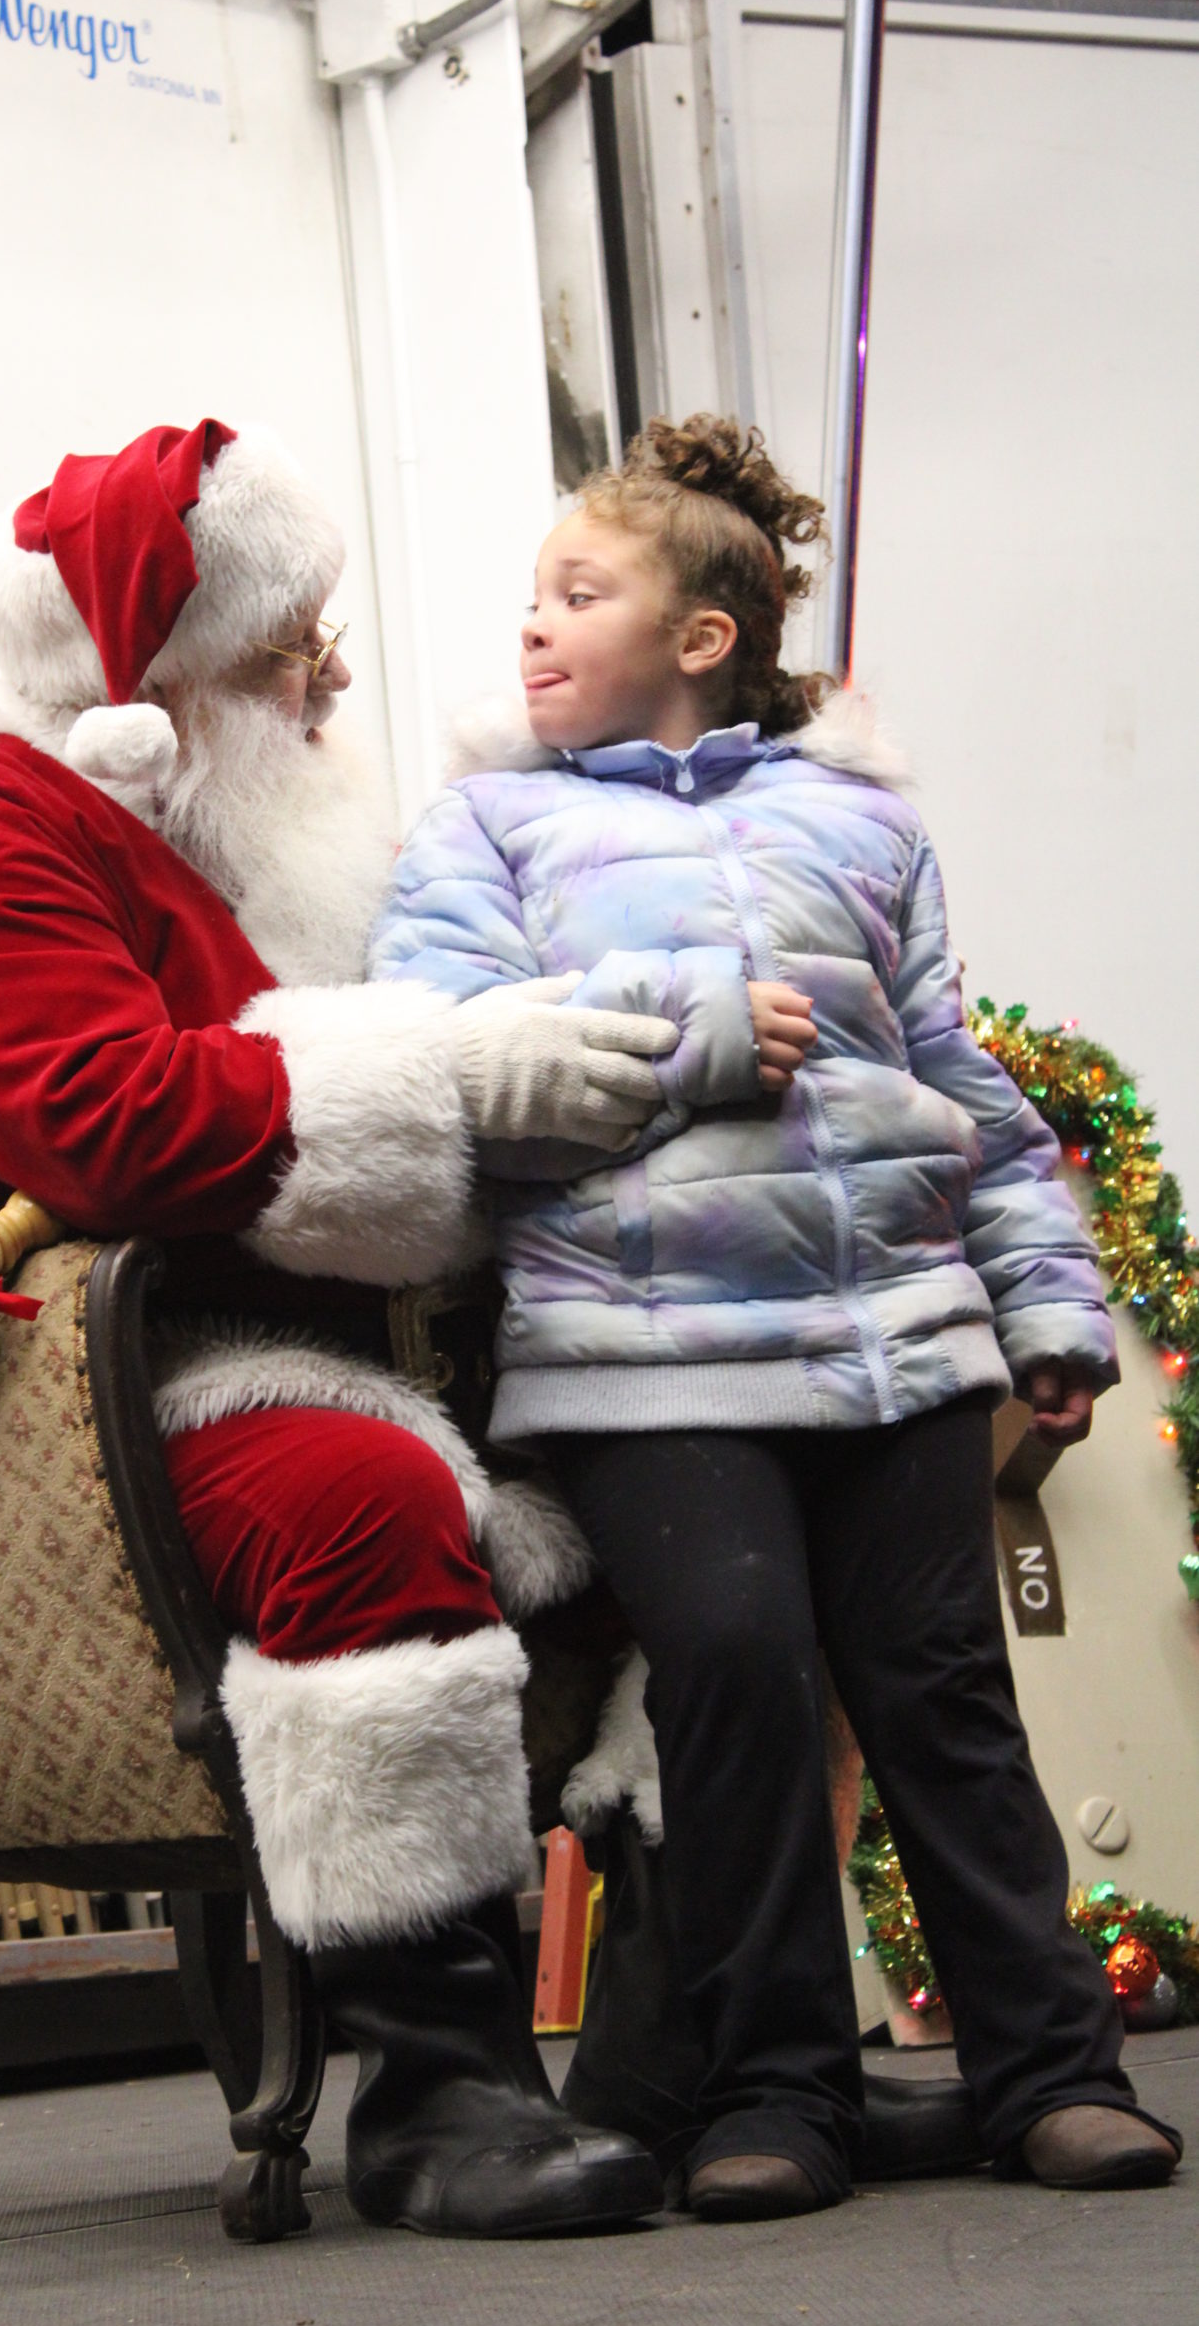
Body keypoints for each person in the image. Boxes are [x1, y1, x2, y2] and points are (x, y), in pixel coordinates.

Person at [0, 415, 682, 2238]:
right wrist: (450, 1070)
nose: (336, 674)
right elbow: (115, 1124)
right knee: (347, 1497)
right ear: (170, 681)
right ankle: (440, 2088)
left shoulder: (276, 837)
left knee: (703, 1470)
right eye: (294, 644)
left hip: (368, 1340)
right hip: (112, 1386)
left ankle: (693, 2039)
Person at [369, 413, 1183, 2220]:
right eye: (527, 596)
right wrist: (701, 1015)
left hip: (889, 1323)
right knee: (735, 1672)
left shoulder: (864, 820)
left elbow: (952, 1068)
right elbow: (448, 1061)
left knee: (941, 1692)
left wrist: (1044, 1290)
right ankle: (778, 2093)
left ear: (702, 636)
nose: (531, 627)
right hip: (637, 1357)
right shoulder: (486, 826)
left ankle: (1051, 2070)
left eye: (578, 593)